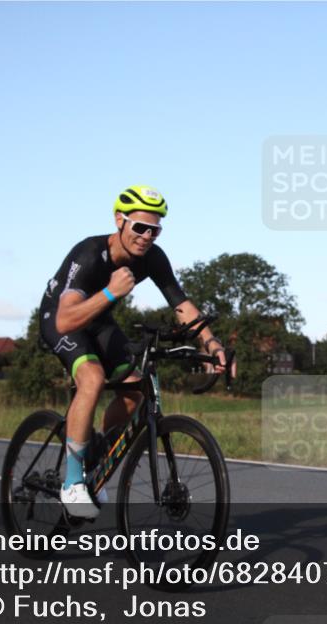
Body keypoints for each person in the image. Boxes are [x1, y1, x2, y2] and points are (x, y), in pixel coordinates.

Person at [38, 185, 229, 518]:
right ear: (119, 221)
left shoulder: (153, 257)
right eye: (139, 227)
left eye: (154, 229)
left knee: (134, 390)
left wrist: (211, 343)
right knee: (92, 378)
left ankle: (96, 454)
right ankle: (72, 482)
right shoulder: (89, 253)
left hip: (98, 317)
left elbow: (180, 303)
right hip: (61, 317)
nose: (146, 236)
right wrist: (111, 293)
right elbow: (66, 319)